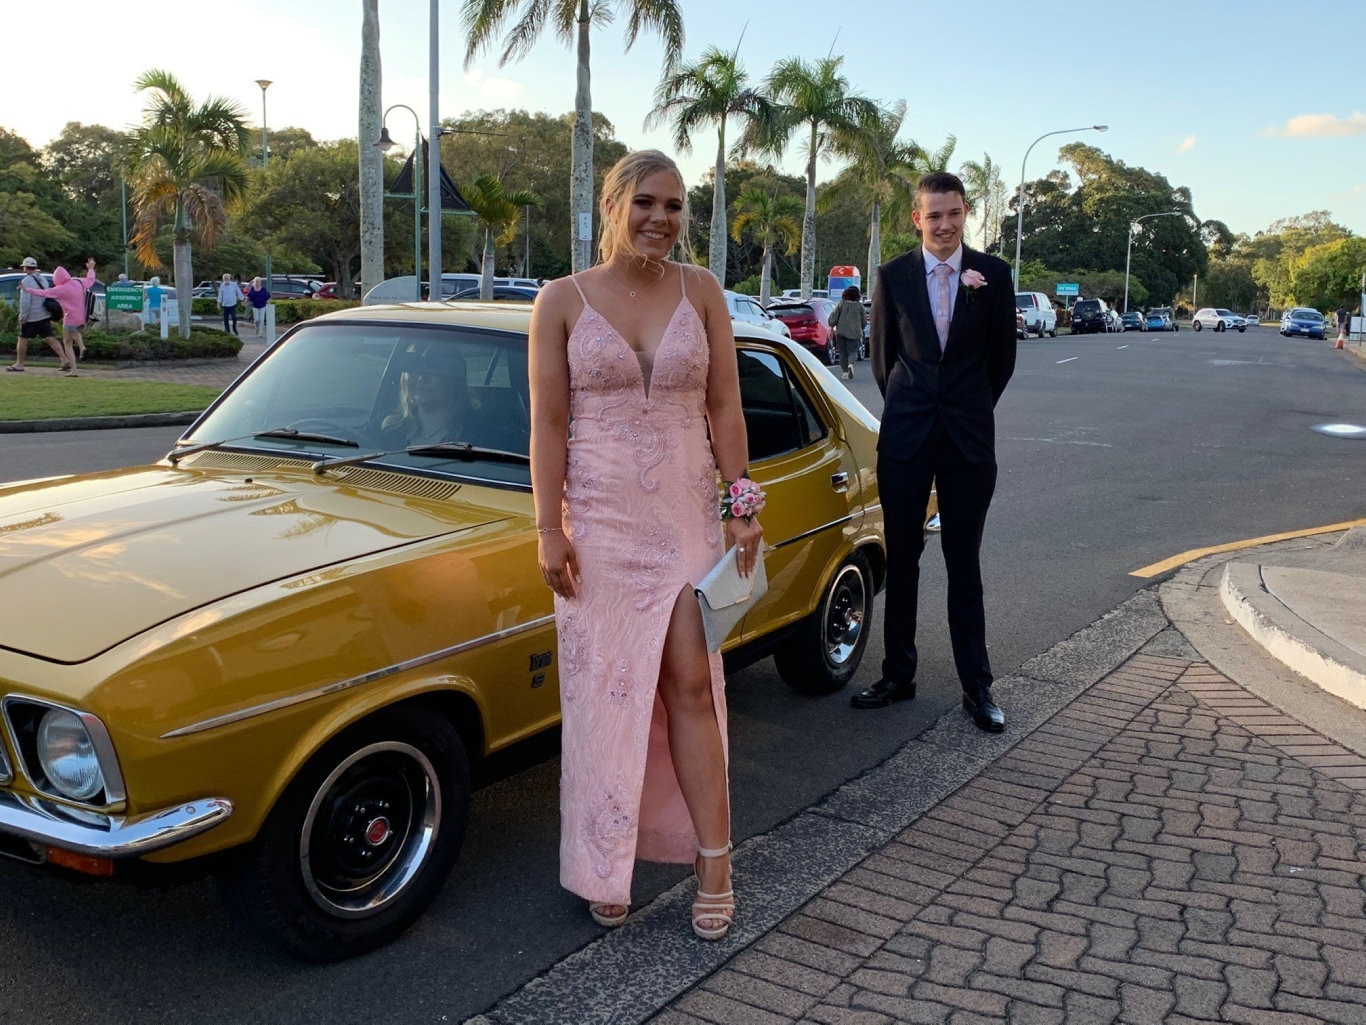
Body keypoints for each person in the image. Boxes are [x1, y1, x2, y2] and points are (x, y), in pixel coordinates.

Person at [529, 149, 763, 940]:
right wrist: (547, 527)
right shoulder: (561, 299)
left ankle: (715, 860)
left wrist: (740, 504)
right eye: (647, 203)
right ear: (615, 204)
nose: (661, 219)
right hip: (595, 527)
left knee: (694, 686)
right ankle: (605, 860)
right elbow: (546, 423)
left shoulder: (702, 292)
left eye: (674, 206)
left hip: (688, 519)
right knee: (604, 699)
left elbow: (726, 406)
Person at [852, 171, 1016, 733]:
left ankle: (978, 687)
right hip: (906, 436)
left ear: (966, 212)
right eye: (933, 215)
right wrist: (917, 407)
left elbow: (1001, 362)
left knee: (963, 561)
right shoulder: (892, 275)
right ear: (916, 219)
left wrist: (965, 404)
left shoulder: (992, 274)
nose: (944, 225)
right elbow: (883, 360)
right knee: (902, 557)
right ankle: (898, 674)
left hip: (969, 439)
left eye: (953, 214)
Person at [378, 349, 471, 448]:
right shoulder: (387, 427)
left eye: (434, 368)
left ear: (454, 380)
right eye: (414, 368)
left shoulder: (479, 436)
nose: (421, 378)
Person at [21, 257, 97, 377]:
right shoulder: (78, 282)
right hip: (82, 317)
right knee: (75, 331)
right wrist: (91, 268)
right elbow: (91, 279)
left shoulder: (61, 289)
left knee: (67, 343)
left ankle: (74, 370)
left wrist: (27, 289)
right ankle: (82, 347)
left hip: (70, 318)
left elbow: (44, 293)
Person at [8, 257, 63, 372]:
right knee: (50, 338)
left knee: (22, 338)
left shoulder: (26, 281)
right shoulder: (42, 279)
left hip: (31, 317)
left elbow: (25, 302)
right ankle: (64, 359)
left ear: (25, 268)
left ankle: (19, 363)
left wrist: (23, 317)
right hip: (44, 314)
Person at [828, 285, 867, 380]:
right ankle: (851, 365)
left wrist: (831, 326)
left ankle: (845, 372)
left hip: (841, 332)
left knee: (843, 353)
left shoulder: (841, 304)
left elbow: (834, 316)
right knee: (853, 351)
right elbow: (864, 320)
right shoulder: (860, 306)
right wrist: (861, 327)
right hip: (855, 333)